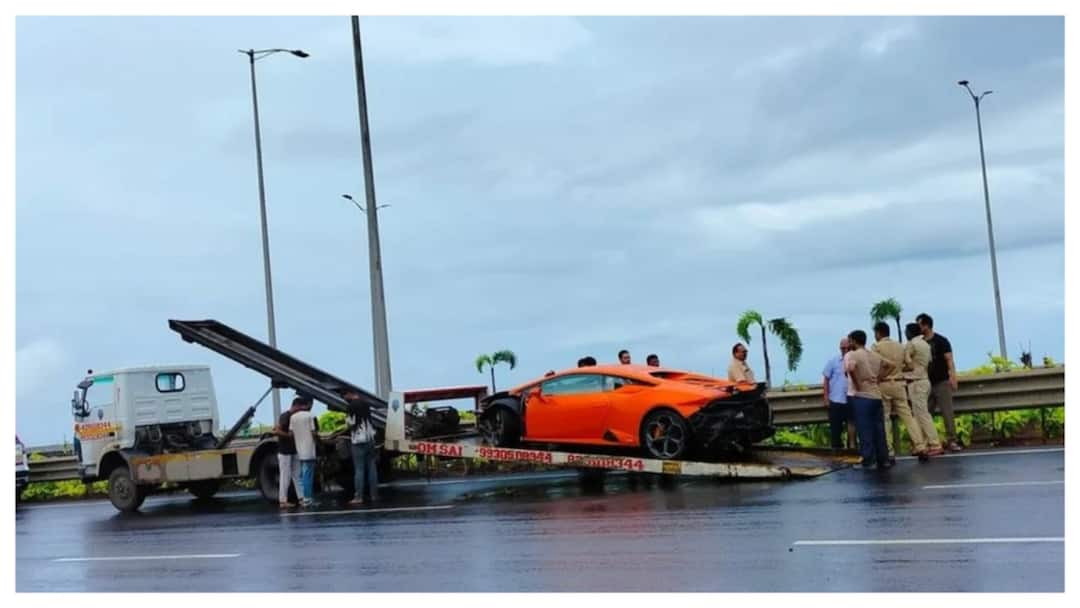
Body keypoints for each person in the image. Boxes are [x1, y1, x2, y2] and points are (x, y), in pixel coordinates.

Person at [871, 321, 926, 463]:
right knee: (908, 416)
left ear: (878, 333)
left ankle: (889, 451)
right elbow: (910, 365)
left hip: (883, 384)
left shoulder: (876, 347)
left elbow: (875, 365)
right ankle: (920, 446)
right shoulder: (900, 346)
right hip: (900, 384)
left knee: (885, 418)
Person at [845, 330, 894, 470]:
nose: (849, 344)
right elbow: (891, 365)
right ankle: (883, 459)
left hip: (863, 396)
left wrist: (857, 383)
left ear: (854, 341)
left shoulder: (854, 354)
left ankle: (868, 460)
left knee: (865, 429)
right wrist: (879, 377)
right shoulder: (874, 354)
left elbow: (850, 368)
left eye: (850, 341)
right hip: (877, 396)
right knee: (879, 430)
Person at [917, 313, 962, 451]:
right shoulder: (919, 343)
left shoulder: (941, 341)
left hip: (941, 382)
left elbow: (949, 359)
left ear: (926, 325)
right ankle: (926, 442)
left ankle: (952, 440)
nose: (918, 327)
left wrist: (953, 377)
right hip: (925, 382)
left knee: (947, 413)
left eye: (919, 324)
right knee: (925, 413)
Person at [904, 322, 943, 458]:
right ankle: (922, 444)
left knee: (921, 414)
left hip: (915, 382)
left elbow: (907, 362)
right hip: (925, 380)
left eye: (906, 331)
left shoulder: (911, 344)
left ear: (910, 332)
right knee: (920, 414)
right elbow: (929, 362)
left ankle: (934, 443)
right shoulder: (926, 344)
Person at [344, 389, 379, 506]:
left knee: (359, 469)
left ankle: (359, 496)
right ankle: (374, 495)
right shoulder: (365, 404)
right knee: (372, 467)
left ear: (349, 394)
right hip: (370, 438)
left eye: (345, 395)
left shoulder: (351, 406)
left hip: (358, 440)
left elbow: (350, 423)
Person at [272, 397, 304, 508]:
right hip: (285, 450)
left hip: (293, 449)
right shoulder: (286, 416)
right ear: (296, 406)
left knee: (297, 475)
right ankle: (283, 501)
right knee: (285, 476)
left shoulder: (294, 417)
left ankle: (301, 498)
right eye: (300, 408)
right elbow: (277, 431)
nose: (301, 410)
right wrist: (289, 436)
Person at [288, 396, 318, 507]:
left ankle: (306, 498)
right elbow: (314, 432)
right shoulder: (311, 416)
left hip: (299, 449)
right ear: (308, 404)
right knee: (308, 475)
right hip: (310, 448)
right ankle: (307, 499)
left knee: (302, 474)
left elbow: (290, 434)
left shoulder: (293, 417)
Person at [821, 337, 851, 449]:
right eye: (843, 348)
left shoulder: (854, 360)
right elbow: (826, 379)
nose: (845, 350)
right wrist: (826, 397)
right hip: (836, 400)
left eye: (847, 348)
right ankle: (837, 454)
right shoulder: (833, 361)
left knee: (852, 429)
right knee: (835, 431)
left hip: (850, 400)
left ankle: (852, 451)